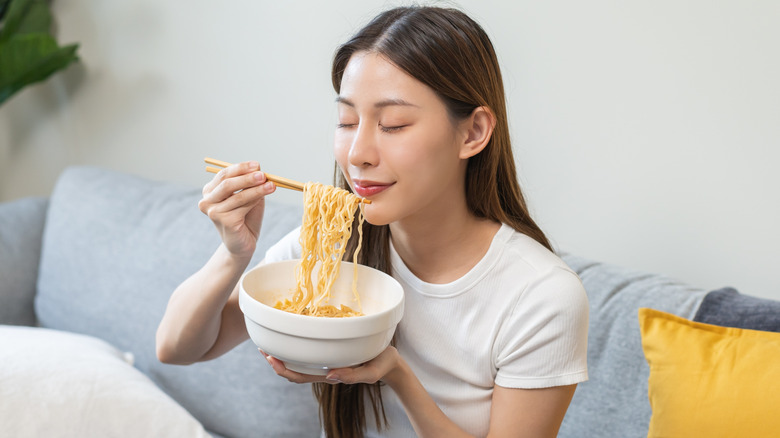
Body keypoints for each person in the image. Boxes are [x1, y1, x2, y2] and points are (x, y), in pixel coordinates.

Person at [156, 6, 588, 438]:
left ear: (473, 132)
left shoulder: (541, 297)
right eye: (346, 121)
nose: (357, 154)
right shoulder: (333, 244)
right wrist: (234, 254)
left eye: (393, 124)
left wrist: (396, 374)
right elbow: (177, 348)